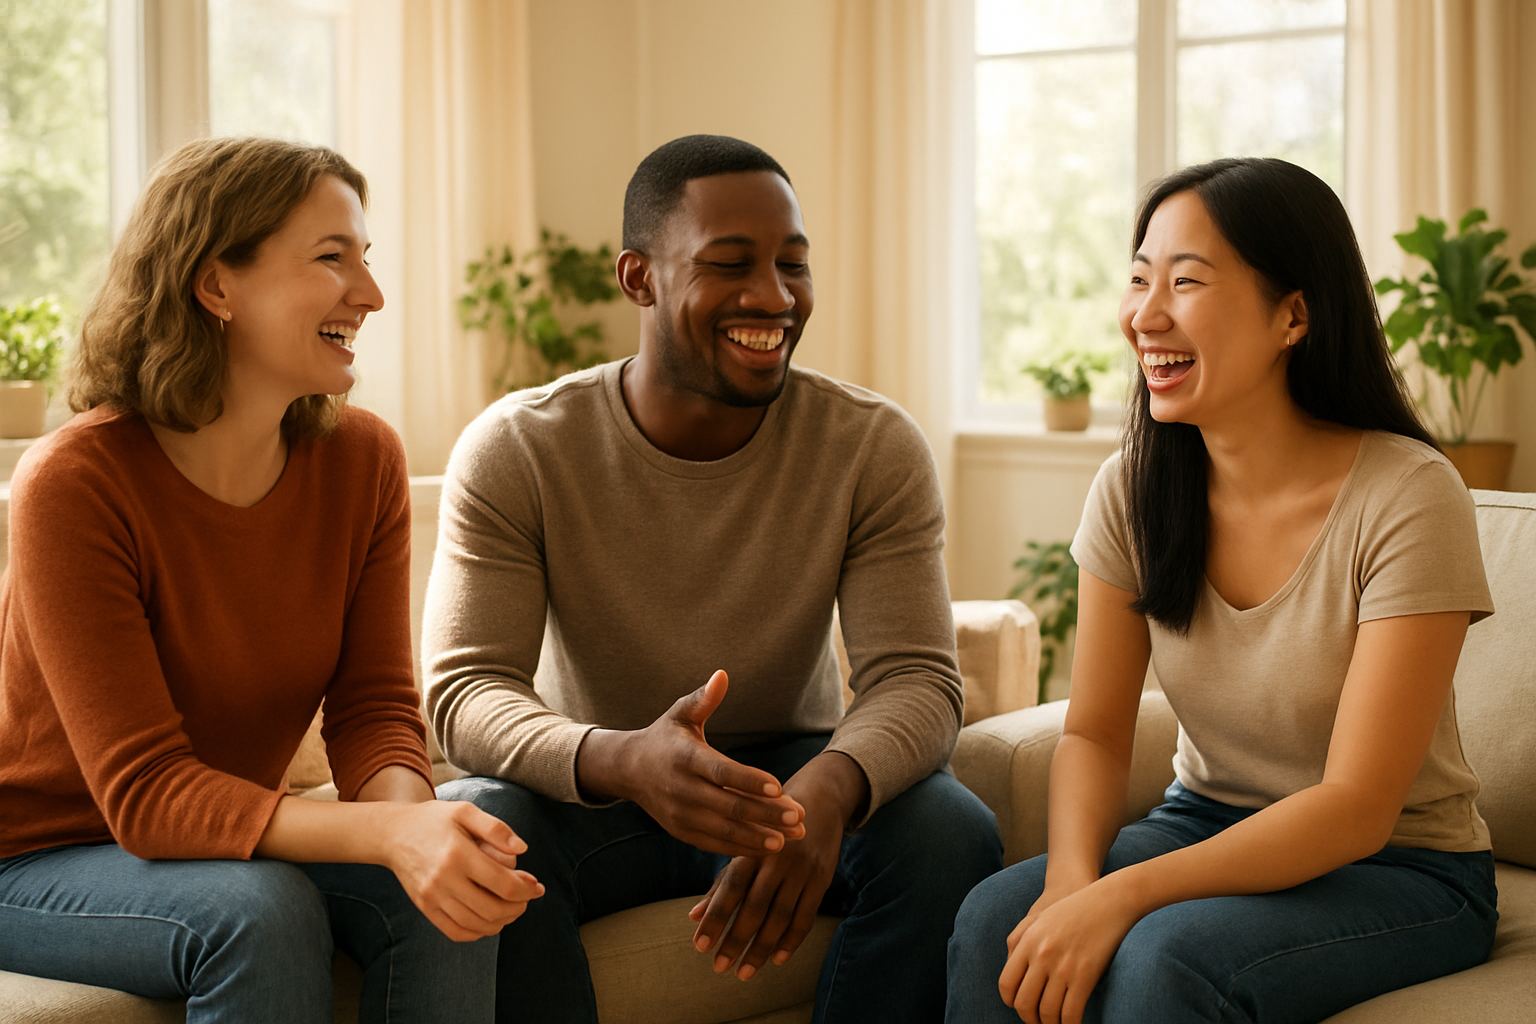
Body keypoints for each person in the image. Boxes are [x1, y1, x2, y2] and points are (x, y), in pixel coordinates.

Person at [426, 133, 1003, 1024]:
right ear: (639, 277)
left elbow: (919, 678)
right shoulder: (519, 448)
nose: (773, 296)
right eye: (729, 263)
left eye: (793, 265)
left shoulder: (871, 445)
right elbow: (465, 692)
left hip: (787, 775)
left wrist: (831, 789)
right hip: (596, 785)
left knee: (946, 831)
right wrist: (619, 757)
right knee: (479, 826)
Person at [945, 157, 1500, 1024]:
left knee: (1164, 961)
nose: (1145, 315)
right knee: (994, 922)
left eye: (1187, 281)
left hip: (1400, 864)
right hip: (1201, 819)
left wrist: (1124, 899)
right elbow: (1094, 729)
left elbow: (1356, 808)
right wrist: (1069, 886)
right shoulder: (1134, 488)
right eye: (1138, 280)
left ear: (1294, 314)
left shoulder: (1408, 494)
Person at [0, 137, 542, 1024]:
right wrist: (389, 834)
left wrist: (419, 830)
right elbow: (146, 795)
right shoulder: (76, 484)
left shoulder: (363, 461)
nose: (370, 294)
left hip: (217, 841)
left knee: (466, 845)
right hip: (40, 856)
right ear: (217, 286)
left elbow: (371, 707)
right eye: (332, 259)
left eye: (367, 259)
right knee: (262, 916)